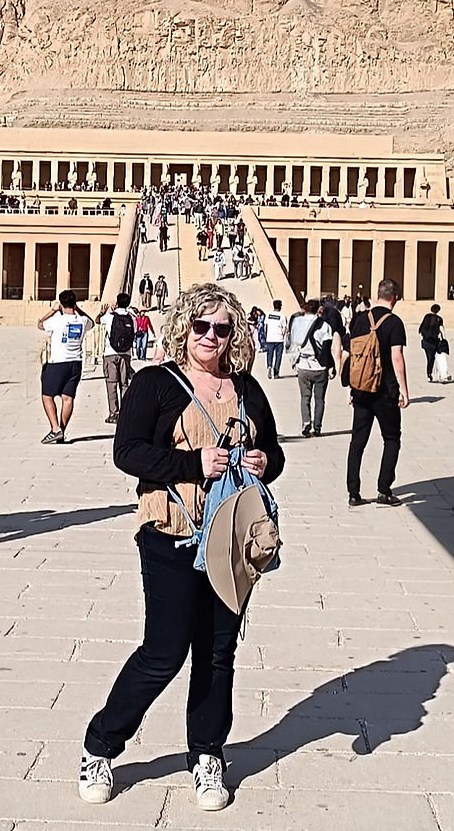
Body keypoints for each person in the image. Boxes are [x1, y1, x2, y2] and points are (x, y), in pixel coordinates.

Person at [79, 282, 285, 810]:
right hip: (170, 532)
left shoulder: (247, 389)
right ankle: (101, 744)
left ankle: (208, 755)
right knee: (163, 652)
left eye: (221, 328)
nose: (210, 338)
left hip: (229, 541)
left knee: (218, 653)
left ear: (234, 332)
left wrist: (264, 462)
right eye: (201, 326)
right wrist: (192, 465)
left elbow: (275, 454)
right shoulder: (155, 383)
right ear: (184, 328)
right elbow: (127, 452)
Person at [346, 278, 410, 507]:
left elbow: (352, 356)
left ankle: (353, 493)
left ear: (377, 294)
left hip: (362, 390)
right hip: (385, 392)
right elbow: (396, 357)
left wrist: (352, 387)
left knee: (357, 442)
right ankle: (384, 490)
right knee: (391, 439)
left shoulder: (360, 319)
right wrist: (404, 389)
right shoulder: (394, 323)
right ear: (395, 297)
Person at [39, 290, 95, 443]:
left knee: (47, 396)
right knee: (68, 398)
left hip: (58, 362)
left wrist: (52, 310)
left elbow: (40, 324)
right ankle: (61, 431)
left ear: (61, 304)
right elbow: (92, 321)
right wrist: (77, 309)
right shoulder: (82, 321)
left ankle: (55, 428)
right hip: (75, 363)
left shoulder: (57, 319)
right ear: (74, 303)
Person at [290, 299, 342, 437]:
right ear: (318, 309)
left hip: (303, 365)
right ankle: (317, 427)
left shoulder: (296, 323)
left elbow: (292, 345)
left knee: (304, 397)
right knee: (319, 399)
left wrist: (294, 363)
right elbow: (327, 348)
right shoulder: (324, 325)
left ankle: (306, 422)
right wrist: (331, 366)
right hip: (319, 366)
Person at [99, 294, 135, 425]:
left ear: (117, 302)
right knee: (124, 384)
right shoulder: (132, 318)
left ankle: (114, 413)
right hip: (126, 353)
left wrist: (103, 312)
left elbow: (98, 321)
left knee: (111, 384)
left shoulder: (110, 317)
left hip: (110, 353)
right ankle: (125, 412)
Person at [418, 304, 444, 380]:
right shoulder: (439, 319)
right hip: (433, 342)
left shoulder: (427, 317)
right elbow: (441, 329)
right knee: (431, 358)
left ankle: (429, 374)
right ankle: (430, 374)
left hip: (426, 341)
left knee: (429, 358)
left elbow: (421, 328)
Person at [263, 300, 287, 379]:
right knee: (278, 356)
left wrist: (266, 335)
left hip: (270, 338)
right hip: (279, 338)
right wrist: (282, 336)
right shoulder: (282, 316)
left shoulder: (268, 315)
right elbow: (284, 328)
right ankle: (276, 373)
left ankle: (269, 366)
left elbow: (265, 327)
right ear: (280, 306)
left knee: (270, 354)